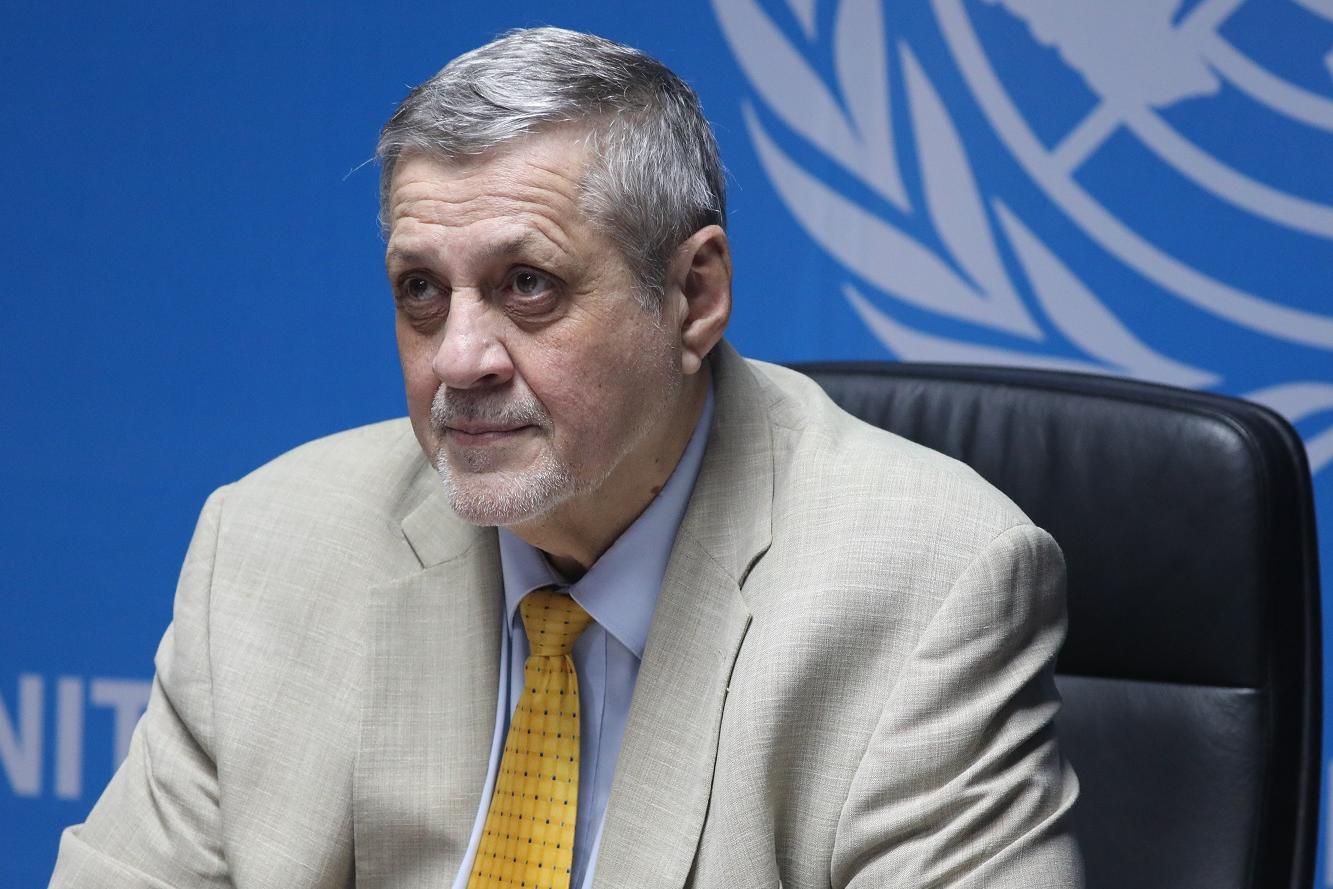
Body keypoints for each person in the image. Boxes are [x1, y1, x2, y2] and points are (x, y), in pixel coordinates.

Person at [49, 27, 1082, 889]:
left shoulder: (925, 583)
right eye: (421, 290)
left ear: (694, 296)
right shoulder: (270, 546)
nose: (459, 358)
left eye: (528, 284)